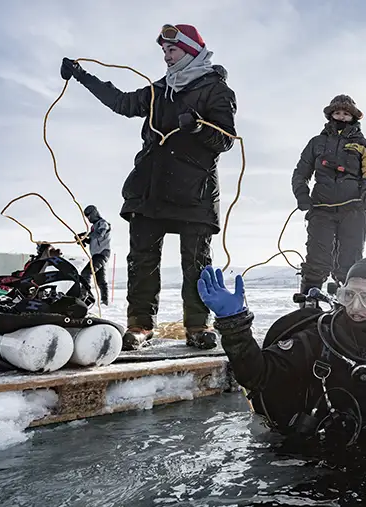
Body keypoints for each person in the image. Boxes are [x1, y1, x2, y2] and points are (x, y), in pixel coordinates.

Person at [60, 24, 237, 350]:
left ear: (191, 50)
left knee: (195, 265)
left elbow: (225, 139)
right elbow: (122, 102)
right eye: (164, 52)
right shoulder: (159, 90)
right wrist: (81, 76)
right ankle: (140, 326)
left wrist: (198, 127)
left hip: (194, 193)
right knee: (141, 261)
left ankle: (198, 327)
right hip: (150, 187)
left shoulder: (216, 90)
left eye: (173, 50)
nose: (167, 57)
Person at [198, 258, 366, 446]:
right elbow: (258, 375)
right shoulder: (319, 336)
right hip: (318, 450)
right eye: (348, 295)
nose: (355, 307)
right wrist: (234, 326)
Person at [291, 95, 366, 297]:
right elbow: (300, 174)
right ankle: (308, 301)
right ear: (331, 115)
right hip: (321, 209)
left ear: (353, 117)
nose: (341, 116)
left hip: (354, 210)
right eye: (337, 112)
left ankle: (346, 302)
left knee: (350, 261)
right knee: (317, 259)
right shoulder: (316, 143)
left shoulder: (364, 145)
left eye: (346, 113)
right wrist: (302, 196)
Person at [75, 205, 111, 306]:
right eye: (87, 217)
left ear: (95, 213)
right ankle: (105, 301)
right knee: (101, 279)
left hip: (102, 253)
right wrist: (82, 239)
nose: (88, 218)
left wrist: (85, 235)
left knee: (86, 272)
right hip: (97, 254)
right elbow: (92, 239)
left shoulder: (103, 223)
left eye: (89, 216)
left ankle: (84, 296)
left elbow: (100, 234)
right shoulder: (93, 227)